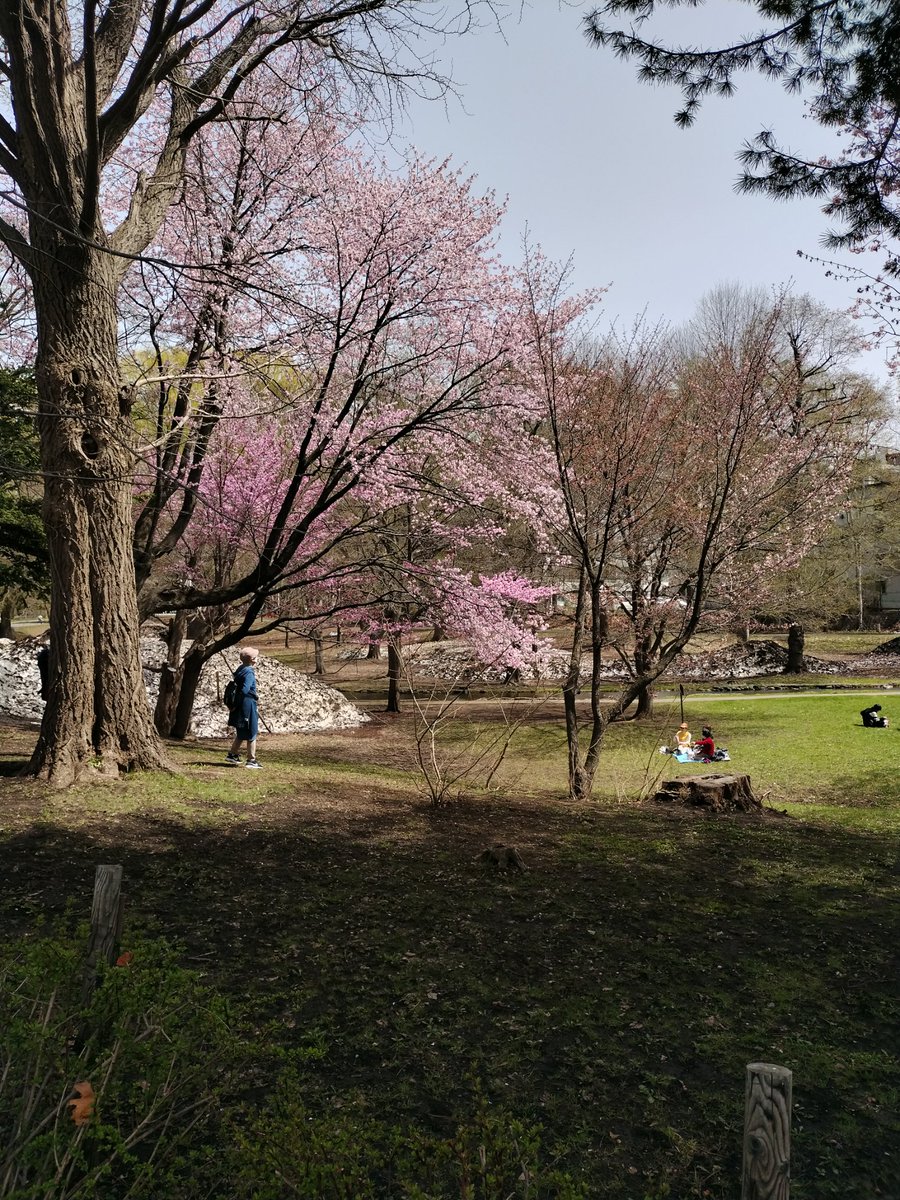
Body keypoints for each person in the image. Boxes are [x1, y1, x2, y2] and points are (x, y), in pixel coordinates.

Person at [226, 647, 262, 767]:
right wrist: (255, 696)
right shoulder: (249, 672)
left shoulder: (240, 669)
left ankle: (232, 754)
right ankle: (251, 760)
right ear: (253, 659)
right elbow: (245, 689)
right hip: (248, 704)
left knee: (241, 731)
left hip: (239, 704)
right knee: (252, 731)